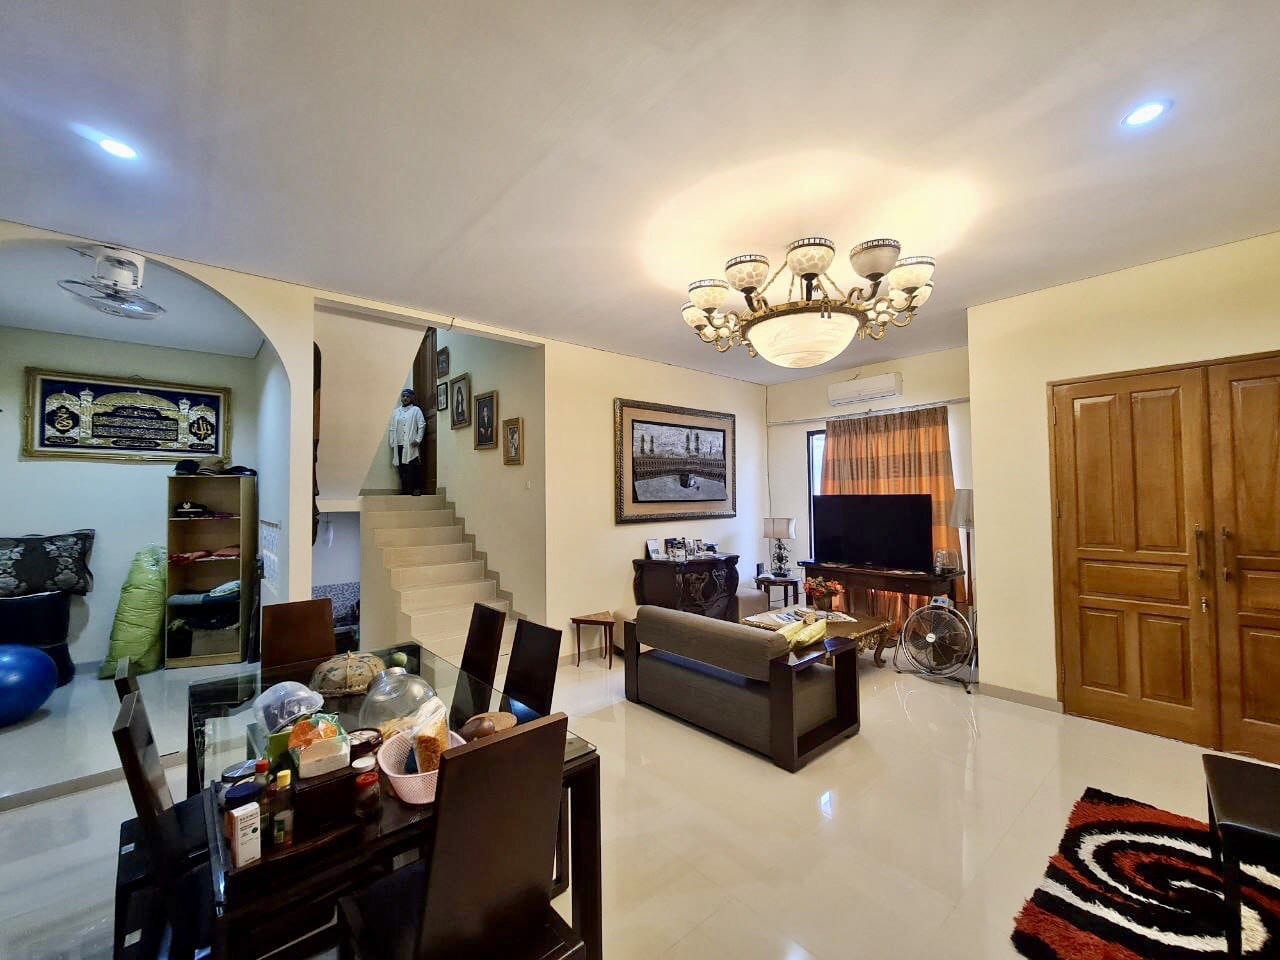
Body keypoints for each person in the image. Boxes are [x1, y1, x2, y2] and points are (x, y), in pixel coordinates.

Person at [388, 388, 426, 496]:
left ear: (412, 398)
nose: (405, 398)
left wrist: (418, 439)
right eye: (403, 396)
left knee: (413, 466)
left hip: (410, 444)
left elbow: (422, 424)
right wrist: (392, 442)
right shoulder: (396, 412)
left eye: (408, 396)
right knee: (402, 468)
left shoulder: (416, 410)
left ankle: (416, 488)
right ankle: (405, 490)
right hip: (399, 443)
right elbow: (392, 428)